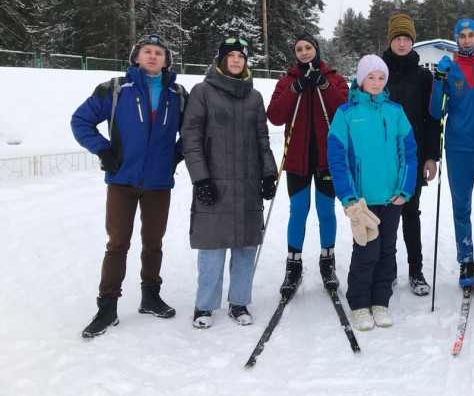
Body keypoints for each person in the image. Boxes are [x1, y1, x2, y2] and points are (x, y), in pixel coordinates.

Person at [71, 34, 186, 338]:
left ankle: (150, 296)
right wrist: (103, 149)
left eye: (159, 53)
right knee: (118, 243)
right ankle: (107, 305)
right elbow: (80, 120)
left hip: (159, 183)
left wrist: (177, 154)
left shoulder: (178, 93)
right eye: (147, 51)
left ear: (166, 60)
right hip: (122, 179)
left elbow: (194, 129)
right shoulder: (114, 89)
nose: (153, 56)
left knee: (153, 242)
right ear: (136, 58)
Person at [181, 38, 278, 328]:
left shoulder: (254, 97)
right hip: (215, 183)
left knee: (246, 246)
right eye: (230, 56)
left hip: (247, 184)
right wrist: (201, 179)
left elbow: (262, 139)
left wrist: (268, 173)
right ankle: (204, 306)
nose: (236, 61)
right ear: (221, 60)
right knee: (212, 246)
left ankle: (239, 303)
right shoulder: (202, 92)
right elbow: (192, 139)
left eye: (241, 56)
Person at [327, 55, 417, 331]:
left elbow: (409, 153)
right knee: (366, 251)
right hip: (362, 201)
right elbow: (337, 158)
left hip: (392, 198)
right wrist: (348, 197)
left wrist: (405, 188)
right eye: (371, 77)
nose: (377, 83)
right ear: (361, 79)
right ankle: (358, 304)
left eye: (381, 78)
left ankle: (380, 302)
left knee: (387, 251)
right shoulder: (346, 113)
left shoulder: (395, 111)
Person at [266, 34, 349, 296]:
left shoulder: (334, 79)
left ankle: (328, 262)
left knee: (326, 211)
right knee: (298, 211)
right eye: (299, 49)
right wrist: (294, 89)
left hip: (326, 160)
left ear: (317, 50)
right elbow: (275, 116)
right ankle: (294, 265)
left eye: (308, 48)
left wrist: (324, 85)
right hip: (297, 159)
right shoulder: (286, 81)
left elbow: (345, 110)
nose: (304, 52)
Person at [429, 17, 474, 291]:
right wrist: (439, 79)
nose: (467, 40)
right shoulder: (451, 69)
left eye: (471, 35)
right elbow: (437, 111)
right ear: (457, 39)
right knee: (461, 208)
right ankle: (466, 260)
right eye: (462, 36)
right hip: (458, 148)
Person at [381, 13, 441, 296]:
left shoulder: (424, 76)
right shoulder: (379, 72)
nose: (402, 43)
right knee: (385, 213)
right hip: (382, 157)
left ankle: (415, 271)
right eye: (397, 38)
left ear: (412, 42)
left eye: (406, 38)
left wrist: (431, 156)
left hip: (412, 156)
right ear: (390, 41)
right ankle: (388, 268)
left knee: (410, 212)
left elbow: (432, 119)